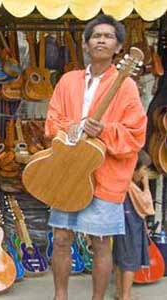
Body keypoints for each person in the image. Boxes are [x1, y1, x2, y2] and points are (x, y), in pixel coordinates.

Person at [44, 14, 147, 300]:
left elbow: (136, 134)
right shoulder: (67, 81)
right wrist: (73, 128)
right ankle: (60, 296)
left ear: (118, 48)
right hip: (66, 172)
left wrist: (105, 130)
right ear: (86, 45)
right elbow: (52, 121)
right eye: (96, 36)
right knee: (62, 239)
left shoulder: (126, 86)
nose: (101, 40)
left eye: (108, 36)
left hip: (105, 176)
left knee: (101, 243)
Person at [113, 150, 154, 300]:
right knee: (130, 261)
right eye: (144, 169)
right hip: (131, 225)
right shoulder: (132, 187)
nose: (145, 173)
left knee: (119, 258)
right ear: (134, 169)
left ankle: (119, 292)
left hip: (121, 223)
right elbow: (147, 205)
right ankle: (126, 296)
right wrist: (146, 186)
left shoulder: (123, 183)